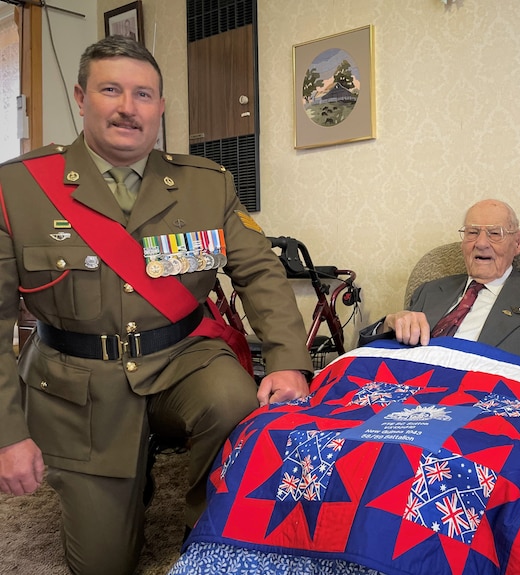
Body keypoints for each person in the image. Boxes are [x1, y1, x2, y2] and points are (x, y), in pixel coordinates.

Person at [0, 36, 313, 575]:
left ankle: (204, 521)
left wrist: (288, 361)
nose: (128, 107)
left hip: (180, 358)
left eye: (143, 94)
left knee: (234, 400)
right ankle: (126, 479)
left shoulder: (205, 184)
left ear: (161, 107)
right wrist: (8, 436)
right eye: (111, 90)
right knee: (104, 564)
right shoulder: (18, 188)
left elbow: (259, 270)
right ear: (81, 98)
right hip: (78, 380)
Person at [359, 198, 520, 382]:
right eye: (472, 232)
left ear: (517, 242)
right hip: (408, 395)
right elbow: (375, 359)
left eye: (495, 233)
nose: (481, 243)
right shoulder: (430, 291)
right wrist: (389, 323)